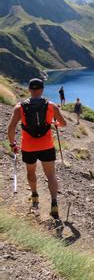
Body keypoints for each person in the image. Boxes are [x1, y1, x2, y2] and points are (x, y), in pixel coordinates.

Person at [7, 78, 67, 219]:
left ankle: (34, 195)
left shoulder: (19, 107)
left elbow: (11, 128)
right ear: (42, 89)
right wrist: (55, 123)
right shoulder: (51, 106)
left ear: (29, 89)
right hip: (47, 146)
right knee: (51, 175)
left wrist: (12, 144)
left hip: (28, 147)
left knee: (31, 171)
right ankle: (54, 203)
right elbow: (63, 123)